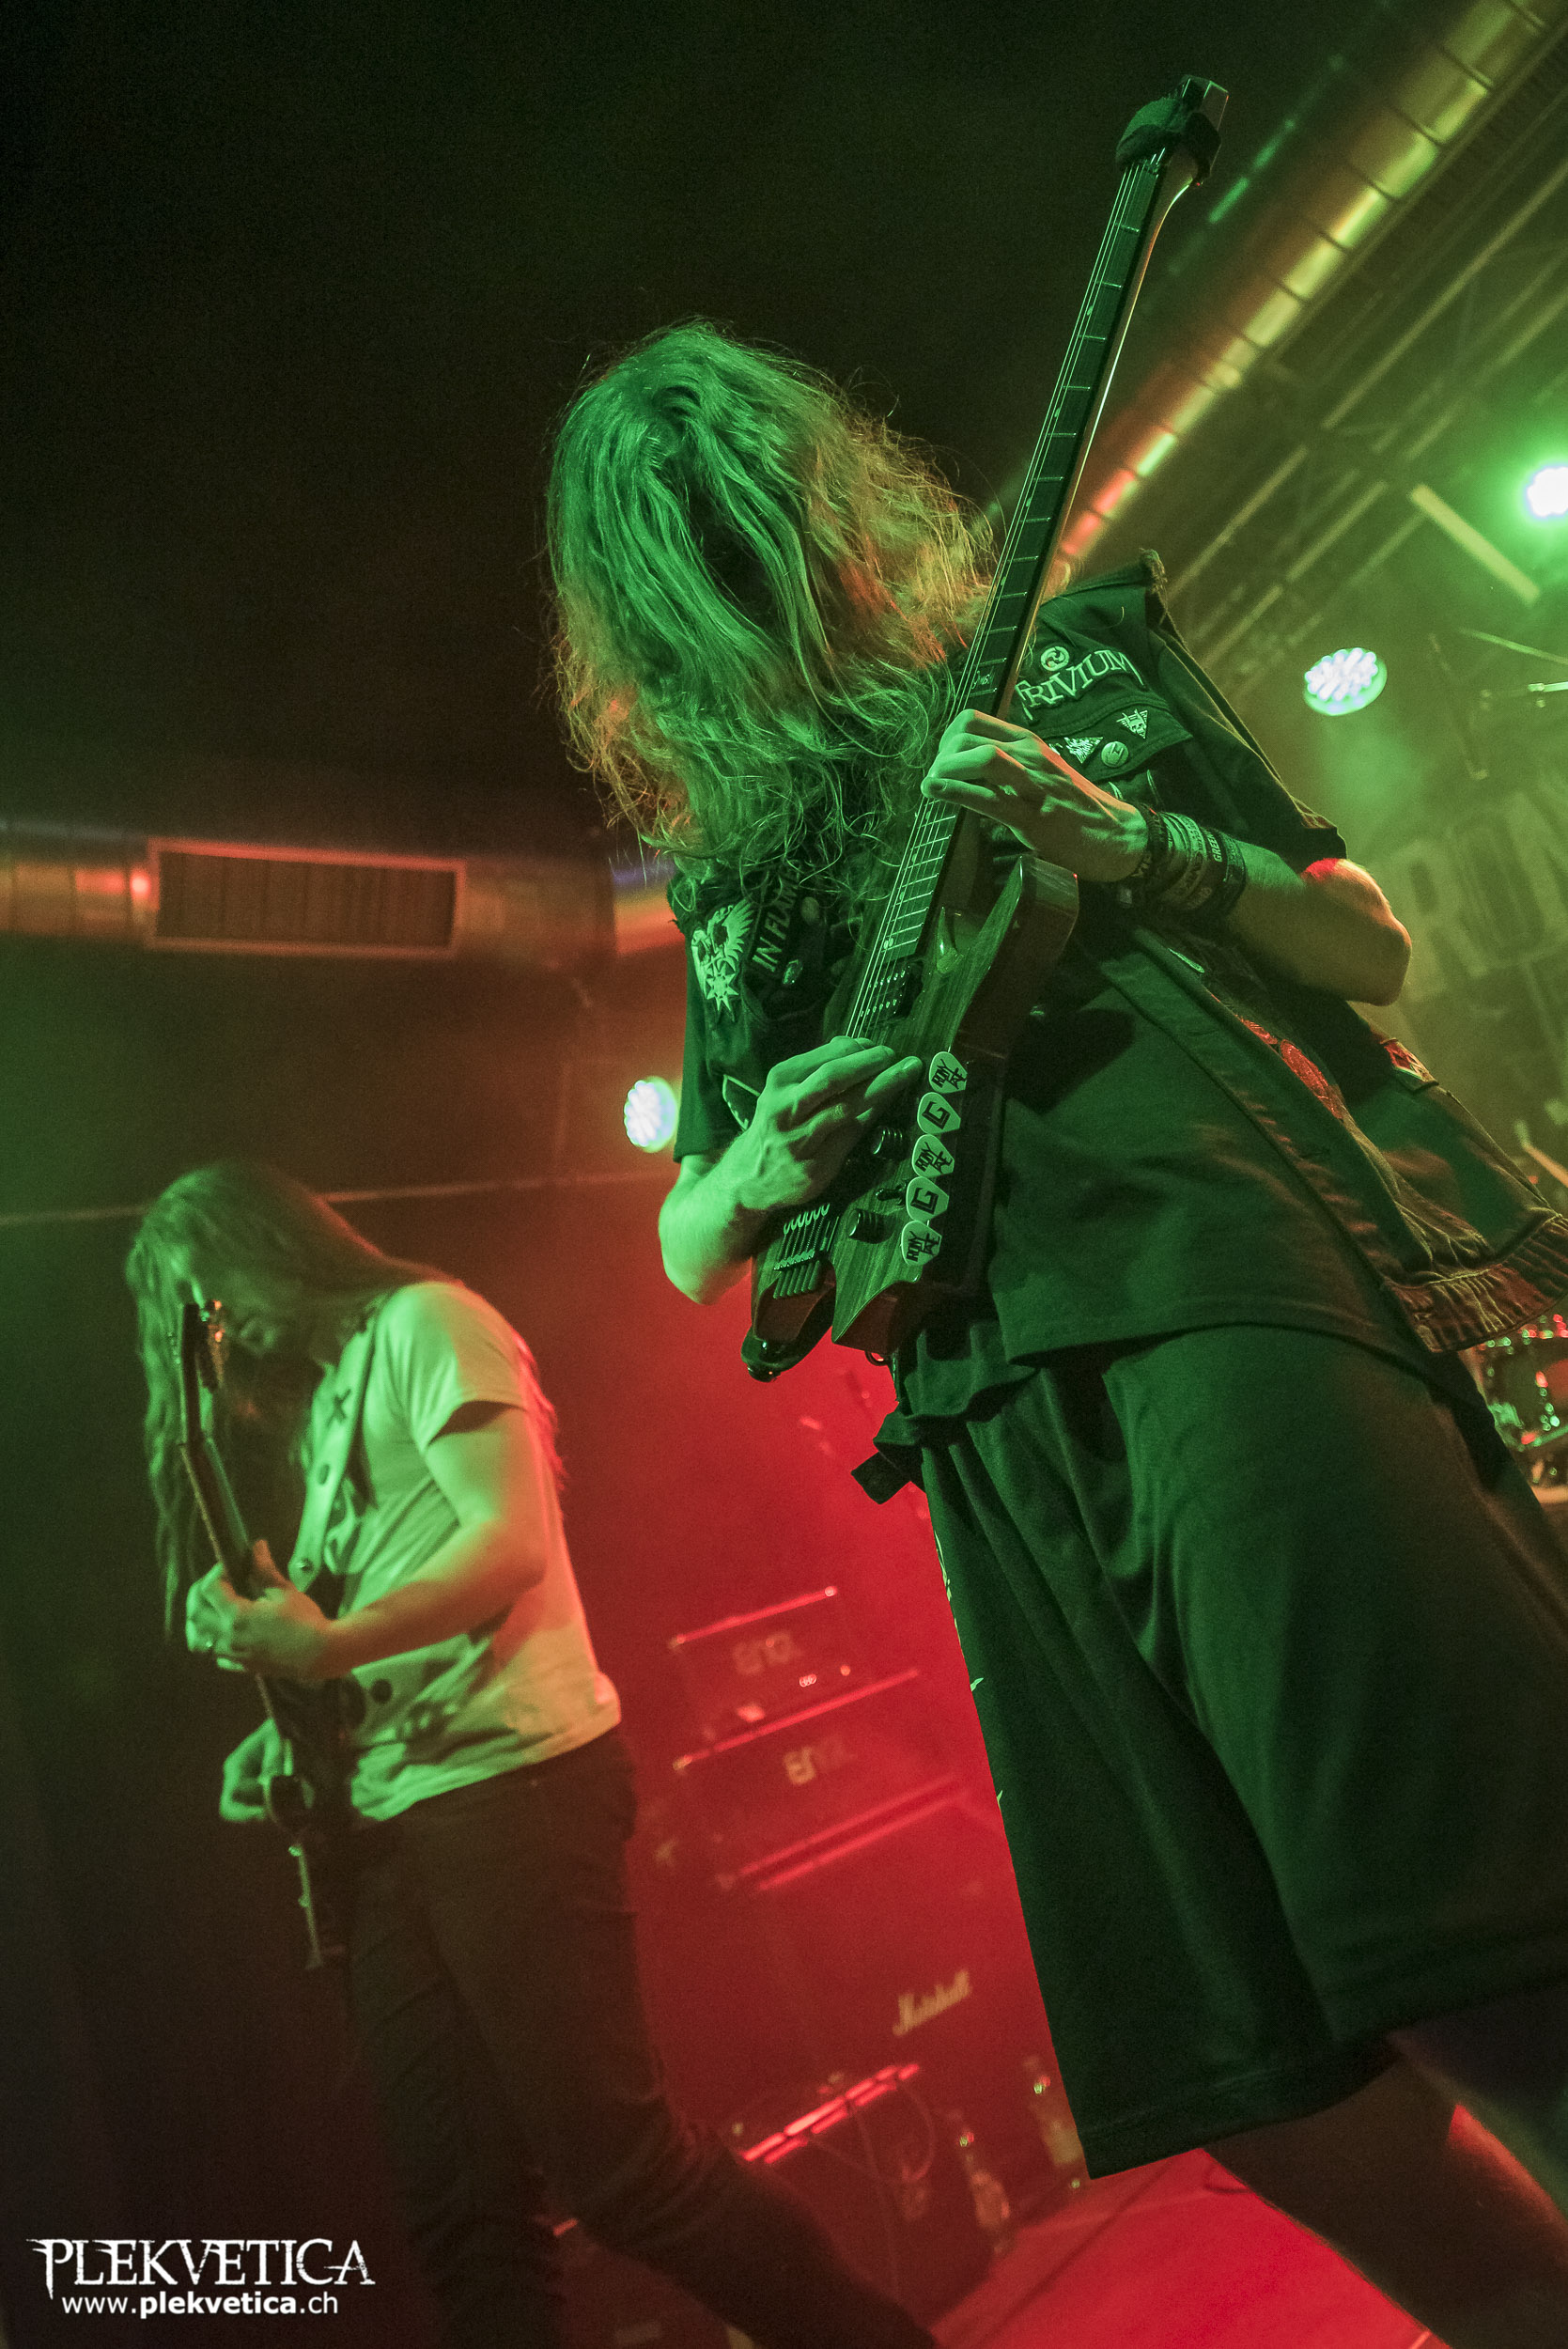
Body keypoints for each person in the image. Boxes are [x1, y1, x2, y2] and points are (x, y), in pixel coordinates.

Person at [547, 319, 1568, 2345]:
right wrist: (756, 1168)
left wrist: (1133, 844)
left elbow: (1365, 940)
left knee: (1470, 1925)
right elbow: (687, 1245)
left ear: (828, 508)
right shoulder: (739, 873)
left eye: (746, 524)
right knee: (1252, 2078)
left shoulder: (1072, 660)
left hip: (1221, 1283)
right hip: (983, 1425)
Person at [126, 1160, 938, 2349]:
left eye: (212, 1291)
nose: (220, 1328)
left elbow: (507, 1544)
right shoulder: (332, 1400)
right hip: (392, 1818)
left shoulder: (429, 1322)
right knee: (467, 2226)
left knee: (626, 2177)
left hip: (513, 1786)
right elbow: (392, 1606)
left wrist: (327, 1643)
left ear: (271, 1242)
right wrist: (294, 1714)